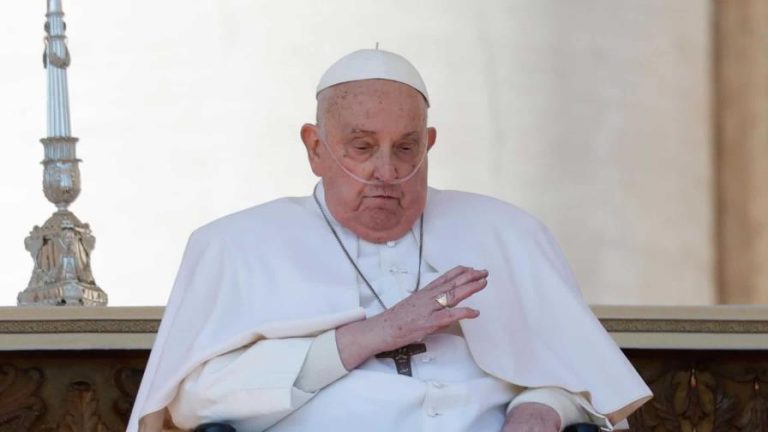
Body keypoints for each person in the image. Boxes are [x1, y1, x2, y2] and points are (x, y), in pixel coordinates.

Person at [128, 48, 651, 432]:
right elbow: (192, 403)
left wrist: (542, 408)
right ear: (315, 148)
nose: (387, 172)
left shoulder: (508, 232)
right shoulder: (233, 245)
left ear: (429, 144)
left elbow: (585, 382)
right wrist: (370, 335)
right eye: (361, 147)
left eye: (405, 148)